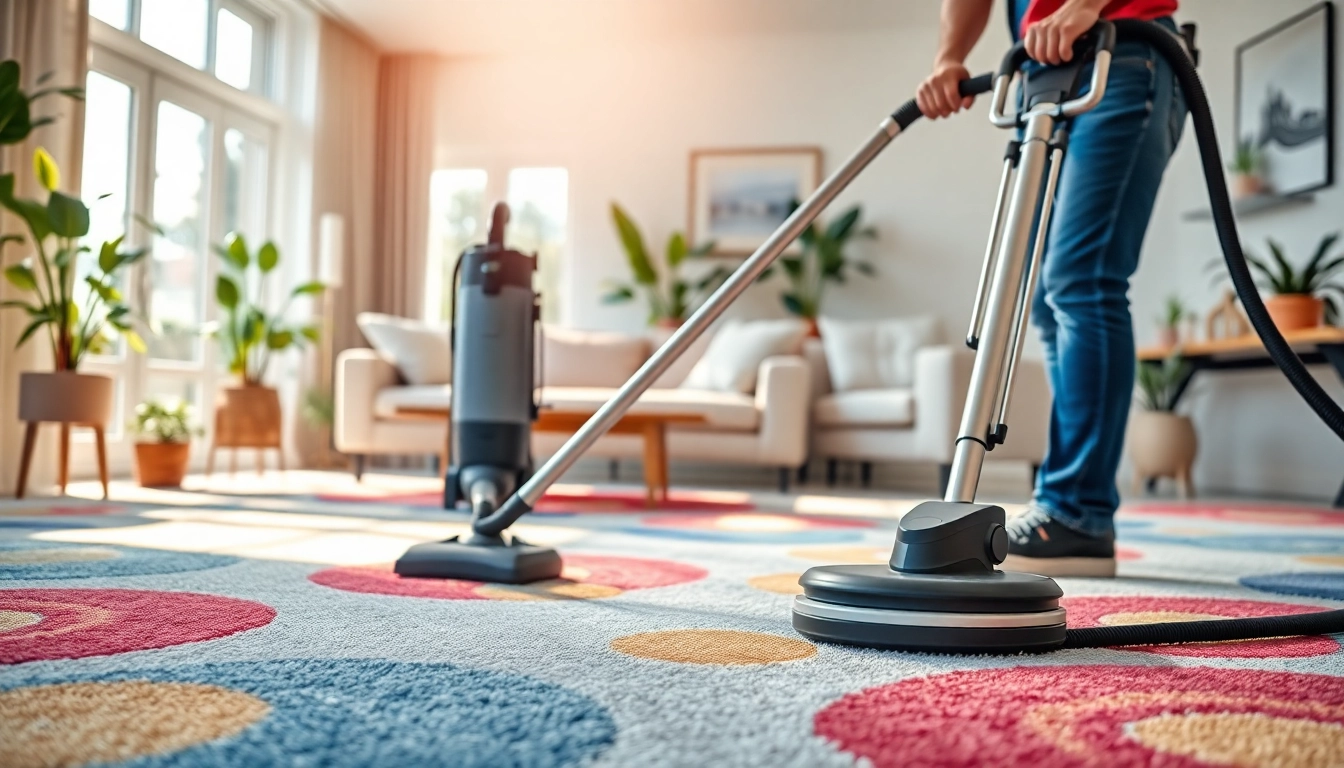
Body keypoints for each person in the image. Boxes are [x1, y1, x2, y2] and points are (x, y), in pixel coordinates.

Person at [917, 0, 1187, 577]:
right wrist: (949, 58)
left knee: (1081, 281)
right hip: (1042, 72)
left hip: (1123, 47)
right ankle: (1064, 510)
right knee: (1044, 296)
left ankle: (1079, 514)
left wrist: (1083, 6)